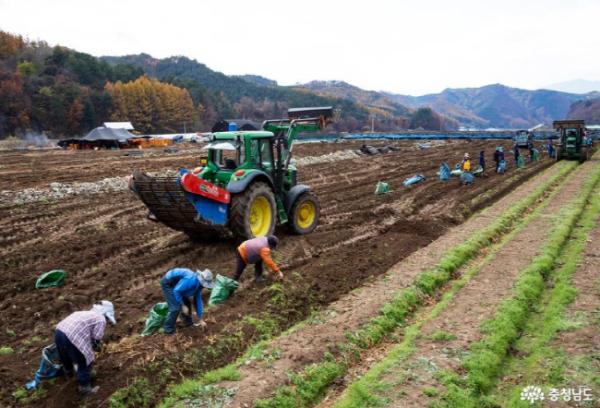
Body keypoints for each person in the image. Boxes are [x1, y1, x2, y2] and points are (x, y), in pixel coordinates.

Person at [54, 301, 116, 395]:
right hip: (72, 336)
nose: (107, 320)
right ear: (106, 314)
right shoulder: (101, 319)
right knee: (84, 360)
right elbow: (96, 339)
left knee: (65, 356)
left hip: (59, 331)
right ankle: (85, 388)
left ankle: (69, 373)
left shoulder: (85, 313)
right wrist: (98, 347)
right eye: (108, 318)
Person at [161, 268, 214, 335]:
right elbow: (176, 291)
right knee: (175, 308)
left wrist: (200, 319)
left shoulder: (199, 286)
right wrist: (182, 305)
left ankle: (188, 323)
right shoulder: (191, 280)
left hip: (178, 285)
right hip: (168, 283)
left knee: (187, 303)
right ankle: (168, 330)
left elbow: (198, 301)